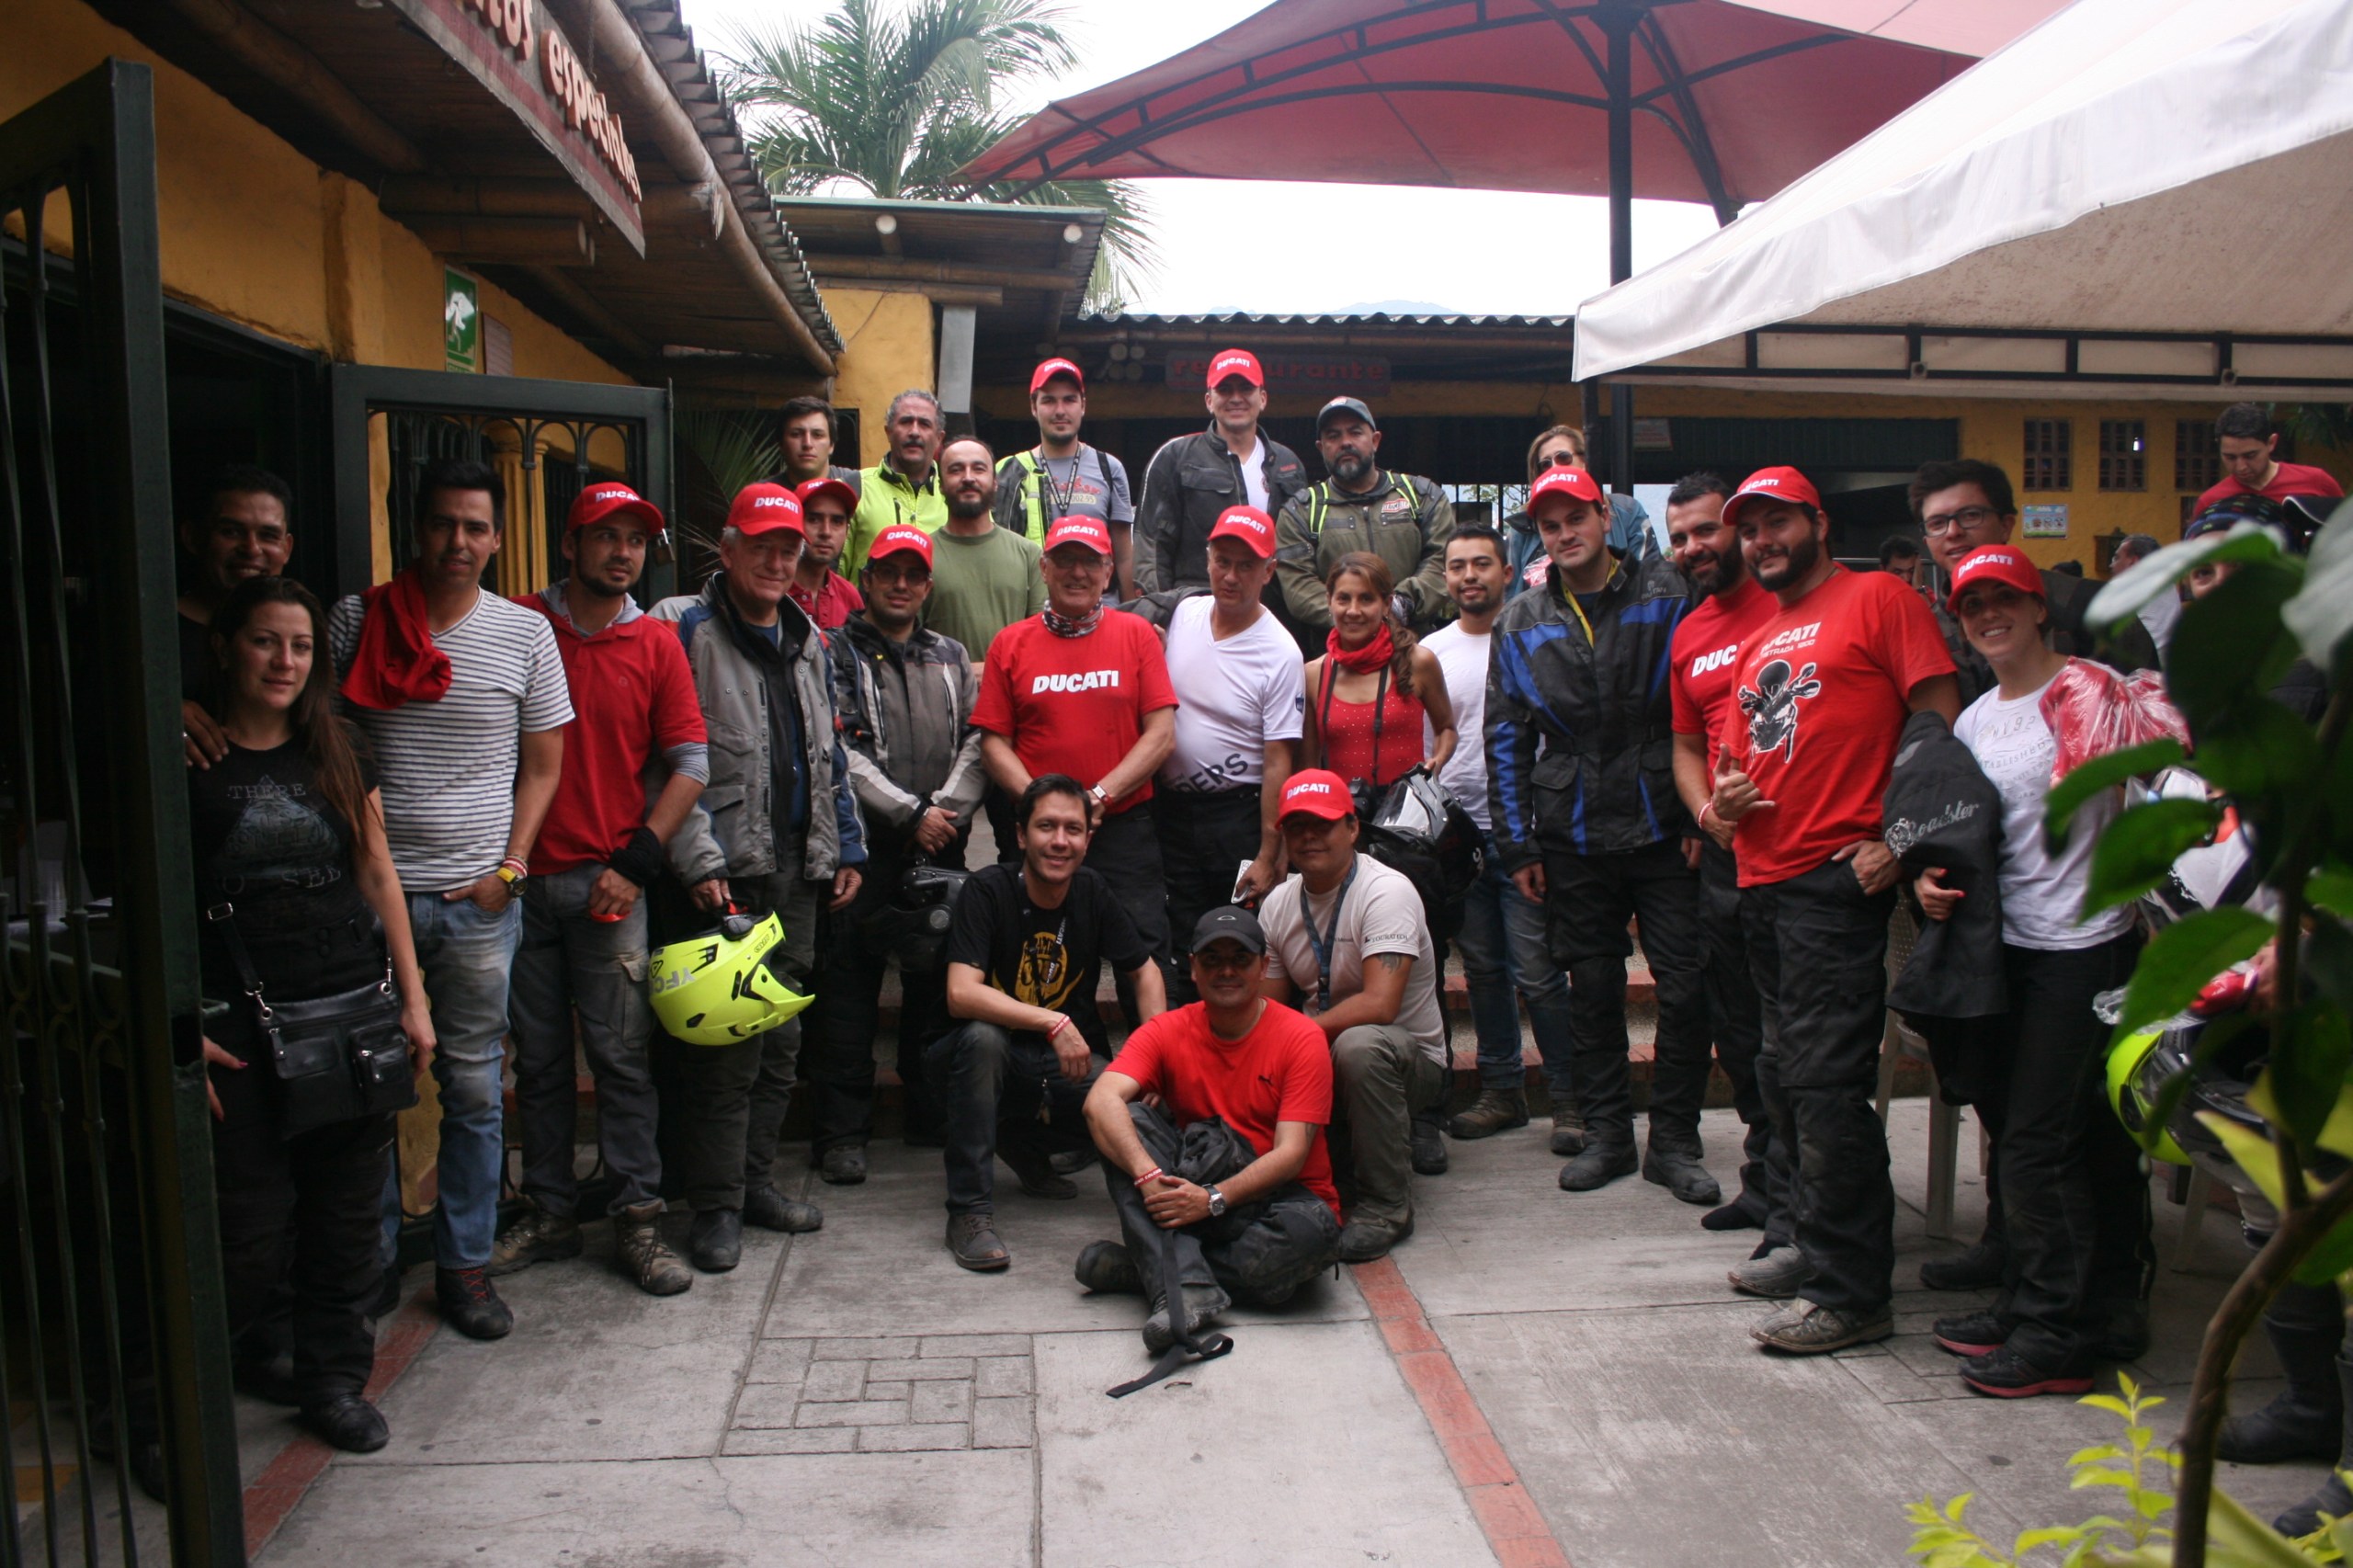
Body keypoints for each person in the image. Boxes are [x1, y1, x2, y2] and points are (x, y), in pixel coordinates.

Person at [1708, 464, 1959, 1354]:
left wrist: (1903, 838)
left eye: (1777, 523)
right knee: (1778, 1075)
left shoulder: (1879, 598)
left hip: (1834, 879)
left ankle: (1850, 1291)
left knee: (1823, 1087)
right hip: (1760, 882)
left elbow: (1935, 719)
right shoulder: (1752, 639)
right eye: (1750, 529)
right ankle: (1808, 1238)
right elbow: (1728, 777)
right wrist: (1720, 807)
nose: (1761, 540)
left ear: (1816, 522)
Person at [328, 458, 569, 1342]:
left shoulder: (524, 634)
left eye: (475, 527)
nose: (457, 543)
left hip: (478, 904)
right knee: (370, 1086)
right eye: (442, 524)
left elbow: (544, 764)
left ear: (498, 539)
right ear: (413, 528)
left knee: (472, 1085)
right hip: (367, 899)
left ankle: (464, 1265)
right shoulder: (357, 621)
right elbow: (321, 744)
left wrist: (509, 870)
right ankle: (371, 1263)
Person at [192, 575, 433, 1454]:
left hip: (347, 1014)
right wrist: (178, 1019)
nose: (283, 660)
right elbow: (147, 899)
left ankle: (333, 1382)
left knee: (343, 1226)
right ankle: (166, 1404)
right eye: (263, 641)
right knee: (242, 1235)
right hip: (237, 1030)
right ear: (225, 647)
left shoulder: (339, 748)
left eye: (298, 645)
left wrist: (412, 998)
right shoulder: (188, 756)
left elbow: (378, 873)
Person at [1913, 545, 2151, 1398]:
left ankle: (2062, 1333)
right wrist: (1934, 879)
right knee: (2023, 1134)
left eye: (2003, 599)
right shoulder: (1978, 718)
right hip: (2005, 952)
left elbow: (2166, 774)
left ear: (2040, 605)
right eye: (1972, 605)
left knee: (2043, 1144)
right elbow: (1969, 830)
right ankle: (2027, 1302)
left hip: (2085, 947)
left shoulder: (2088, 689)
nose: (1987, 616)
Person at [489, 483, 704, 1298]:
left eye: (635, 541)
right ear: (570, 544)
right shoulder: (516, 625)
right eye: (606, 537)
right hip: (512, 887)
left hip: (610, 885)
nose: (622, 553)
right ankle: (547, 1212)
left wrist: (641, 858)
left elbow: (690, 762)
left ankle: (637, 1220)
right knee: (537, 1066)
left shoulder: (654, 643)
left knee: (620, 1061)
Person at [652, 483, 867, 1272]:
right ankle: (714, 1208)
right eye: (764, 546)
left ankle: (754, 1184)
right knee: (727, 1052)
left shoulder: (809, 637)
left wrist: (845, 846)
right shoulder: (686, 631)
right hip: (725, 875)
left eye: (790, 548)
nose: (780, 561)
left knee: (781, 1045)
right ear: (729, 549)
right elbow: (668, 763)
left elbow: (828, 753)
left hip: (796, 874)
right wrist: (698, 863)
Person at [1488, 466, 1716, 1207]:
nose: (1564, 532)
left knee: (1685, 988)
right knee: (1591, 991)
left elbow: (1706, 709)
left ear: (1604, 516)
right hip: (1571, 831)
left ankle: (1675, 1140)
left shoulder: (1666, 592)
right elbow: (1505, 740)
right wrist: (1517, 845)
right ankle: (1610, 1136)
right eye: (1549, 523)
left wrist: (1698, 812)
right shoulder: (1520, 618)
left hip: (1663, 821)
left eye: (1574, 517)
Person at [1078, 905, 1344, 1353]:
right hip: (1194, 1181)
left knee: (1310, 1238)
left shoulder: (1301, 1037)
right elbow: (1099, 1101)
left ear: (1263, 967)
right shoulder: (1167, 1030)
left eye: (1240, 959)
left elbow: (1292, 1154)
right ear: (1193, 970)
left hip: (1280, 1198)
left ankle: (1153, 1269)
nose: (1227, 971)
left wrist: (1212, 1201)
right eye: (1212, 960)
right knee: (1130, 1121)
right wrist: (1147, 1177)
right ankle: (1188, 1284)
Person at [810, 525, 986, 1185]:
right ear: (868, 576)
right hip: (863, 846)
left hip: (943, 841)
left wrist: (942, 813)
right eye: (889, 572)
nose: (902, 584)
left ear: (928, 584)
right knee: (847, 992)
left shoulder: (951, 654)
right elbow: (836, 746)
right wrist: (907, 814)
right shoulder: (831, 651)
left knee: (936, 985)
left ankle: (928, 1114)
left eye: (914, 574)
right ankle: (841, 1136)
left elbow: (979, 738)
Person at [936, 774, 1165, 1269]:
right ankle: (969, 1213)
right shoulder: (988, 890)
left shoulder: (1092, 890)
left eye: (1073, 829)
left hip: (1060, 1069)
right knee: (984, 1039)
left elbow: (1145, 971)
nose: (1060, 841)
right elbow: (960, 993)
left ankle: (1152, 1220)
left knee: (1126, 1096)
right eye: (1046, 827)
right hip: (977, 1063)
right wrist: (1053, 1022)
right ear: (1020, 835)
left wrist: (1156, 1053)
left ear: (1088, 838)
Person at [973, 514, 1177, 1012]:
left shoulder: (1137, 635)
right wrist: (1043, 809)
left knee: (1145, 953)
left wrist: (1097, 799)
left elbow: (1162, 733)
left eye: (1090, 562)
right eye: (1065, 560)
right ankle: (1043, 1070)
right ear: (1044, 567)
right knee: (1034, 952)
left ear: (1109, 571)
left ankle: (1149, 1079)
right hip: (1042, 833)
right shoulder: (1010, 643)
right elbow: (994, 742)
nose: (1078, 572)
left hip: (1123, 826)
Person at [1421, 524, 1580, 1153]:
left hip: (1525, 836)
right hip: (1459, 840)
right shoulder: (1430, 652)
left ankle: (1570, 1099)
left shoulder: (1536, 639)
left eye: (1481, 564)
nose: (1469, 577)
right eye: (1457, 566)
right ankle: (1502, 1091)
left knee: (1539, 973)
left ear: (1507, 571)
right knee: (1484, 972)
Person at [1664, 472, 1790, 1242]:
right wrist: (1704, 812)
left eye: (1706, 531)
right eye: (1679, 537)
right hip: (1726, 858)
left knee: (1793, 1040)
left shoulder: (1792, 606)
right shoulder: (1690, 631)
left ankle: (1805, 1197)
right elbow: (1683, 743)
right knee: (1739, 1032)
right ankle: (1766, 1178)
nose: (1694, 549)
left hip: (1805, 856)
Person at [1257, 769, 1449, 1262]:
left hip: (1406, 1060)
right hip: (1322, 1057)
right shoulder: (1278, 903)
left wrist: (1293, 1039)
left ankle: (1387, 1206)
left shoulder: (1387, 891)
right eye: (1297, 825)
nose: (1309, 836)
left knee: (1359, 1044)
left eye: (1322, 824)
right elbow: (1271, 1006)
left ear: (1352, 828)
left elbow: (1381, 1004)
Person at [1154, 506, 1304, 1004]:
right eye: (1222, 561)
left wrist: (1268, 853)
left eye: (1246, 566)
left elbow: (1279, 759)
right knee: (1183, 941)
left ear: (1269, 571)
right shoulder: (1187, 613)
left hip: (1236, 815)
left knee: (1236, 940)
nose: (1231, 576)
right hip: (1173, 811)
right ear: (1208, 559)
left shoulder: (1280, 652)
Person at [1908, 458, 2112, 705]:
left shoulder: (2088, 604)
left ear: (2006, 525)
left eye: (1971, 515)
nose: (1953, 532)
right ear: (1926, 540)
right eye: (1937, 523)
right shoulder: (1926, 628)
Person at [1273, 397, 1453, 642]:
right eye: (1333, 436)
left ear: (1375, 440)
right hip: (1338, 658)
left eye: (1355, 432)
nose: (1345, 442)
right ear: (1321, 447)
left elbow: (1442, 562)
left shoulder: (1423, 496)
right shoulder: (1300, 511)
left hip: (1414, 648)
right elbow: (1298, 586)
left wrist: (1402, 604)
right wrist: (1356, 616)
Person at [1134, 348, 1308, 596]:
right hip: (1197, 606)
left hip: (1270, 611)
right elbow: (1150, 546)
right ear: (1208, 400)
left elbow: (1300, 550)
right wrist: (1159, 610)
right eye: (1225, 390)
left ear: (1263, 398)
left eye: (1246, 389)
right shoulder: (1174, 457)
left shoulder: (1288, 464)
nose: (1236, 398)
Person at [1302, 552, 1456, 791]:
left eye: (1366, 599)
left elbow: (1446, 728)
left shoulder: (1418, 662)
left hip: (1406, 817)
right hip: (1339, 818)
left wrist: (1437, 762)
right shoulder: (1314, 674)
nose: (1353, 611)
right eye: (1343, 599)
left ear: (1386, 604)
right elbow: (1308, 767)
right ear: (1329, 601)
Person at [179, 464, 295, 765]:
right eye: (231, 532)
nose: (251, 548)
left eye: (268, 535)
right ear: (193, 537)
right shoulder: (151, 633)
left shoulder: (303, 633)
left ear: (287, 548)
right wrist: (160, 717)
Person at [995, 358, 1138, 597]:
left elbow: (1124, 556)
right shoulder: (1010, 470)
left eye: (1069, 400)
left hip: (1100, 605)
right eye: (1049, 401)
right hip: (1035, 607)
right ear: (1033, 407)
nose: (1060, 411)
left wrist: (1131, 611)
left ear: (1082, 405)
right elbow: (1000, 554)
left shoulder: (1109, 468)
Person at [925, 435, 1045, 670]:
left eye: (978, 469)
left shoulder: (1030, 555)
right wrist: (967, 674)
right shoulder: (921, 555)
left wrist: (988, 672)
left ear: (995, 482)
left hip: (1012, 698)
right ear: (940, 484)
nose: (968, 478)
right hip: (943, 699)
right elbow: (910, 644)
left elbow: (1040, 642)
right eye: (956, 470)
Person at [1503, 426, 1656, 595]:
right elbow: (1508, 598)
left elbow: (1650, 582)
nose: (1555, 467)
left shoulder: (1627, 511)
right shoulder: (1521, 528)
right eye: (1545, 464)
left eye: (1563, 457)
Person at [844, 389, 948, 573]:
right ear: (888, 432)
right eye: (906, 422)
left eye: (924, 424)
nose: (914, 432)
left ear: (939, 438)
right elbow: (831, 577)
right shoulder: (853, 489)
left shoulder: (954, 495)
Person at [2197, 402, 2344, 513]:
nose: (2241, 467)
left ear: (2271, 443)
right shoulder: (2211, 502)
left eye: (2250, 455)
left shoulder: (2316, 481)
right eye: (2230, 457)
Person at [788, 475, 865, 631]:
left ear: (847, 531)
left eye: (837, 522)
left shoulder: (849, 596)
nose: (826, 532)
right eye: (814, 520)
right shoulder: (773, 590)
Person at [773, 394, 864, 492]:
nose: (807, 444)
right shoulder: (762, 497)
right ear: (781, 444)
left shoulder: (860, 486)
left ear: (831, 444)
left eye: (817, 435)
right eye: (796, 434)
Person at [2108, 533, 2177, 658]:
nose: (2111, 565)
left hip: (2140, 668)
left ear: (2132, 561)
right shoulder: (2168, 586)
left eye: (2116, 558)